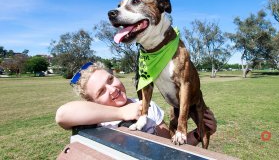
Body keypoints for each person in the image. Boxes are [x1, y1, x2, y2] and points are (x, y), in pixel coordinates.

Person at [56, 62, 217, 146]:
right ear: (92, 101)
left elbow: (170, 147)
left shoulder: (148, 106)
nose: (113, 89)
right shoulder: (95, 117)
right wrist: (122, 113)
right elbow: (63, 115)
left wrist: (200, 133)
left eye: (110, 79)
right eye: (101, 91)